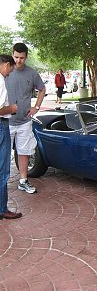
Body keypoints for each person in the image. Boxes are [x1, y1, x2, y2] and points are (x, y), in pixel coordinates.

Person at [5, 43, 46, 194]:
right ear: (12, 54)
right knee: (3, 151)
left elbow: (42, 89)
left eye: (22, 58)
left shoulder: (32, 74)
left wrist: (36, 107)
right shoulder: (5, 71)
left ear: (26, 57)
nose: (18, 60)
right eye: (16, 57)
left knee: (24, 151)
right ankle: (3, 182)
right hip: (5, 122)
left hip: (24, 121)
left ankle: (23, 180)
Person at [0, 54, 22, 219]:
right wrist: (12, 108)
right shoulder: (0, 81)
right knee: (3, 169)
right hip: (1, 125)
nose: (9, 73)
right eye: (10, 69)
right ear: (6, 65)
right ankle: (2, 209)